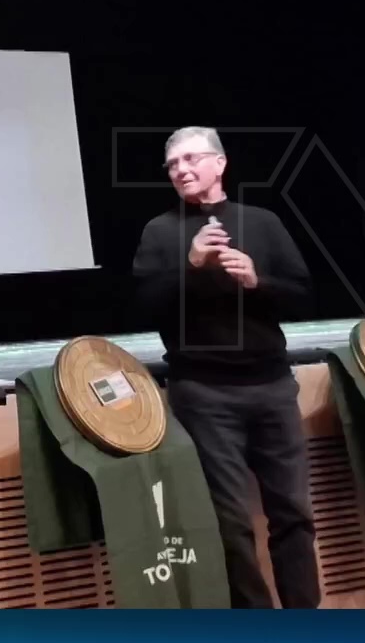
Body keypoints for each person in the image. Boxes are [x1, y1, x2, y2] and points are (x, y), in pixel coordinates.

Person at [131, 126, 320, 608]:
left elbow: (302, 295)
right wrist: (191, 265)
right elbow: (144, 306)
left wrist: (258, 281)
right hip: (204, 392)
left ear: (220, 163)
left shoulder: (263, 222)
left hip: (273, 387)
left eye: (191, 159)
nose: (181, 170)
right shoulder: (159, 231)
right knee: (230, 520)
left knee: (294, 512)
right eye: (172, 165)